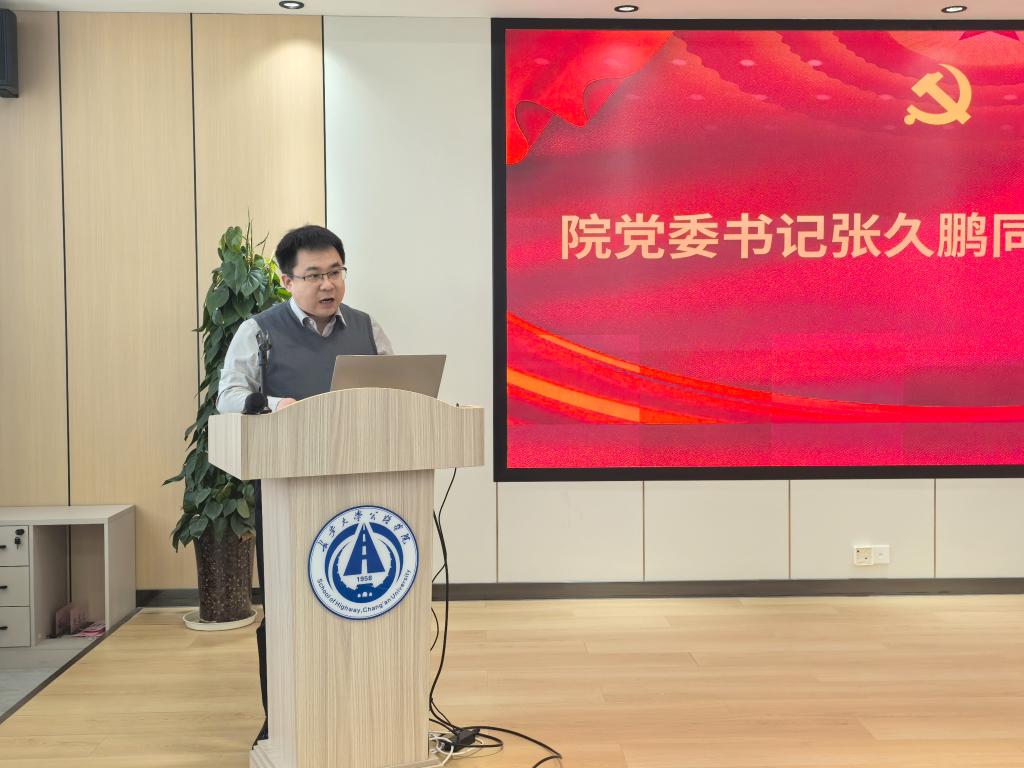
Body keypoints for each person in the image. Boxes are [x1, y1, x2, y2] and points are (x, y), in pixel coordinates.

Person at [216, 224, 393, 744]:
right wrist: (274, 405)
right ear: (287, 280)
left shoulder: (367, 328)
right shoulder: (259, 331)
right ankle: (284, 722)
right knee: (290, 609)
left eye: (335, 272)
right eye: (313, 275)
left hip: (366, 493)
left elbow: (397, 390)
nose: (327, 284)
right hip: (287, 494)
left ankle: (366, 716)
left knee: (362, 607)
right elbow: (228, 396)